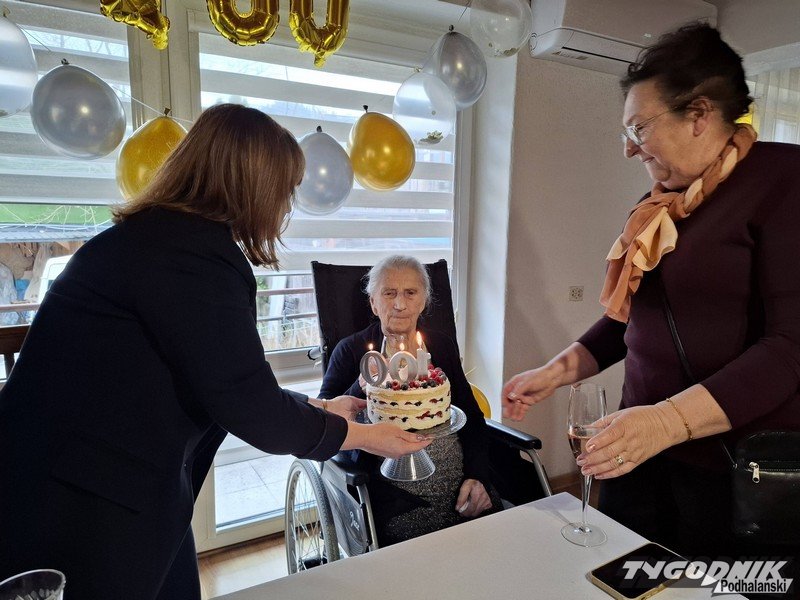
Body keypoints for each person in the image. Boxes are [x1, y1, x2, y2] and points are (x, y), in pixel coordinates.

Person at [0, 104, 430, 600]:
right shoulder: (190, 257)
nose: (286, 205)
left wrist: (322, 407)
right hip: (82, 495)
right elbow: (250, 406)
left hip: (121, 478)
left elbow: (227, 381)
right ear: (254, 185)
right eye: (284, 189)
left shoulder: (158, 239)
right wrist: (367, 437)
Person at [503, 23, 800, 563]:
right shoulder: (659, 205)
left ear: (699, 115)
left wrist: (665, 422)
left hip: (730, 468)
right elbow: (632, 318)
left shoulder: (785, 180)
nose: (627, 148)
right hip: (636, 449)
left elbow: (789, 349)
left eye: (638, 127)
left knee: (710, 590)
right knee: (624, 577)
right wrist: (555, 371)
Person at [319, 255, 500, 546]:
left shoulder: (441, 346)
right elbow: (324, 421)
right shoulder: (350, 351)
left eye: (410, 293)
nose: (400, 304)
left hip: (463, 484)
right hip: (395, 497)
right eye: (389, 293)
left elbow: (472, 416)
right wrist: (360, 385)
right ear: (373, 303)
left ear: (424, 301)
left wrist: (477, 476)